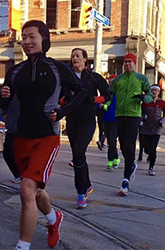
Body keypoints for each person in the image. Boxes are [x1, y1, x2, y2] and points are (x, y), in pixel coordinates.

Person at [0, 20, 86, 250]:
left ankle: (22, 246)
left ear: (44, 39)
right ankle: (53, 218)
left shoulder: (58, 69)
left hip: (47, 137)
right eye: (24, 37)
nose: (26, 41)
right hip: (21, 138)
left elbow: (81, 92)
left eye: (32, 36)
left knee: (26, 189)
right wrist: (4, 96)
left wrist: (62, 111)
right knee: (35, 192)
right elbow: (6, 104)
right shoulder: (16, 71)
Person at [62, 48, 110, 208]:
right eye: (72, 56)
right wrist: (65, 100)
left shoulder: (93, 77)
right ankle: (87, 184)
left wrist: (94, 99)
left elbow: (107, 95)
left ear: (85, 60)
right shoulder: (66, 78)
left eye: (77, 56)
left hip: (88, 121)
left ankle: (81, 193)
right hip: (72, 121)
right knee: (78, 157)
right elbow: (60, 98)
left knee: (78, 154)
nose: (74, 58)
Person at [109, 52, 152, 195]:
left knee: (130, 146)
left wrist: (143, 97)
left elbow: (150, 95)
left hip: (134, 116)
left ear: (134, 64)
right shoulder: (118, 80)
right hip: (120, 116)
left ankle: (125, 180)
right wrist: (104, 103)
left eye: (130, 62)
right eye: (125, 62)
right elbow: (108, 94)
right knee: (123, 146)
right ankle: (131, 165)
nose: (127, 64)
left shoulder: (141, 78)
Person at [140, 84, 165, 176]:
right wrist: (141, 120)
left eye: (156, 90)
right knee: (146, 149)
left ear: (159, 92)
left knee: (153, 148)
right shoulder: (145, 102)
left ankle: (151, 167)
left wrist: (162, 121)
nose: (154, 92)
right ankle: (148, 154)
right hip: (146, 128)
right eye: (152, 90)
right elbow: (140, 113)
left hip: (156, 129)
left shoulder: (162, 103)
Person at [101, 74, 120, 170]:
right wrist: (100, 105)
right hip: (106, 118)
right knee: (110, 140)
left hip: (116, 119)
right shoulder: (107, 92)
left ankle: (110, 160)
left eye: (112, 82)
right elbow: (101, 101)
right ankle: (116, 157)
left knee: (112, 139)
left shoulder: (119, 92)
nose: (110, 84)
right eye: (109, 82)